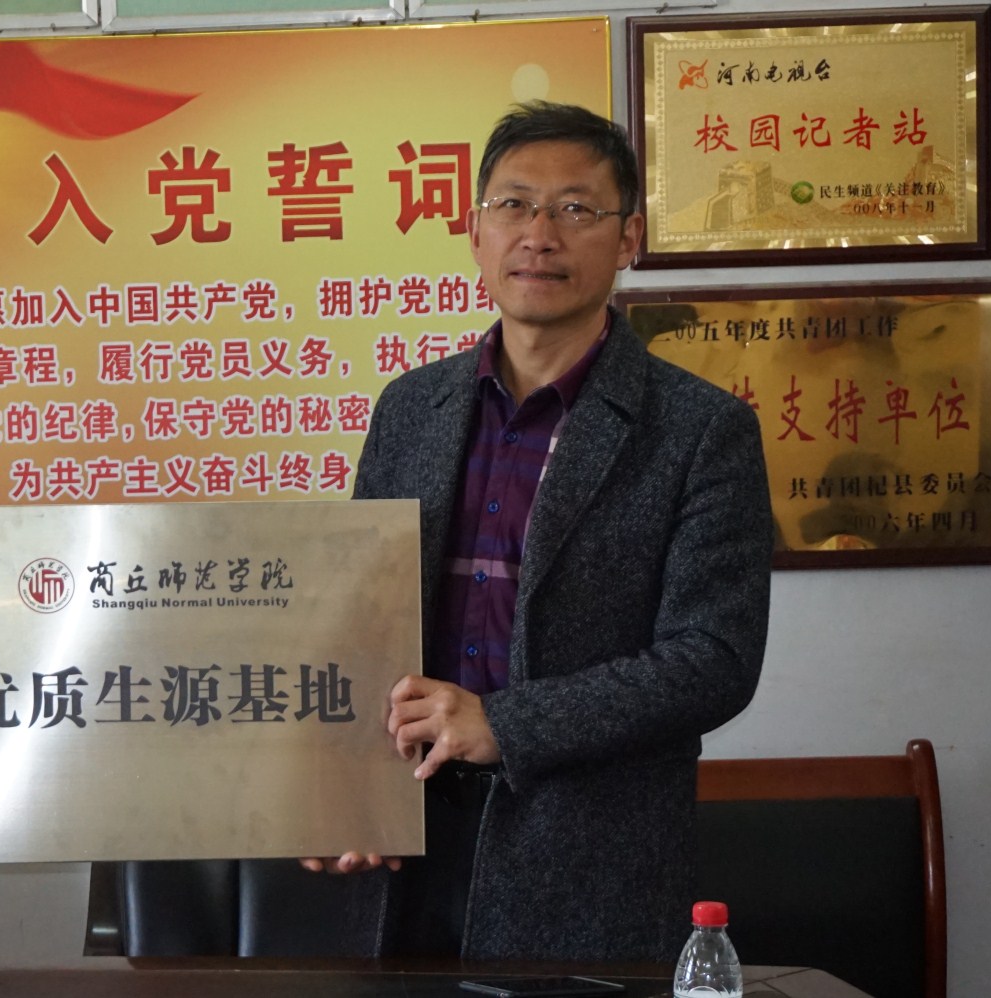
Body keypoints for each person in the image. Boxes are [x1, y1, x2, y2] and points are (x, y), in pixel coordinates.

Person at [309, 101, 774, 961]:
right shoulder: (410, 408)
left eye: (575, 208)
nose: (539, 235)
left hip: (586, 862)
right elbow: (361, 627)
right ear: (474, 231)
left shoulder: (700, 429)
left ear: (629, 238)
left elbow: (713, 659)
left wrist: (508, 724)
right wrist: (341, 789)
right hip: (405, 849)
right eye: (514, 205)